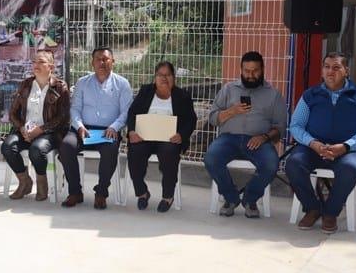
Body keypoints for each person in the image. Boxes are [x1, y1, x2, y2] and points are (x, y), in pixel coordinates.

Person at [286, 53, 356, 234]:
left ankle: (330, 212)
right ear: (322, 71)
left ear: (346, 71)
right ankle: (312, 208)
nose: (331, 71)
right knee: (293, 163)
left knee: (351, 168)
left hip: (348, 150)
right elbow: (296, 125)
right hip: (313, 148)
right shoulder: (310, 95)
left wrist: (345, 146)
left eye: (337, 67)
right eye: (327, 67)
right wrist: (313, 143)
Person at [204, 51, 288, 218]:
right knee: (211, 158)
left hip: (259, 140)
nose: (250, 75)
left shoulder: (273, 94)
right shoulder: (228, 89)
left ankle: (250, 199)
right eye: (246, 71)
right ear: (240, 70)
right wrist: (231, 111)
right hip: (229, 138)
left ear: (262, 69)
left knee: (271, 163)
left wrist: (264, 137)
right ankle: (231, 197)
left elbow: (280, 128)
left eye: (255, 70)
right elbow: (213, 118)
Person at [59, 47, 132, 209]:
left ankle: (101, 193)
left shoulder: (122, 84)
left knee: (110, 149)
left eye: (106, 59)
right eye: (98, 59)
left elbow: (126, 111)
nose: (102, 62)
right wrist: (79, 126)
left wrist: (114, 127)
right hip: (83, 129)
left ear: (113, 62)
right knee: (66, 146)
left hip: (108, 130)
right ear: (92, 62)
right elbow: (75, 108)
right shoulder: (82, 82)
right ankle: (75, 192)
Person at [126, 61, 197, 213]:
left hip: (169, 139)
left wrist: (181, 135)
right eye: (160, 75)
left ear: (174, 77)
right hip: (145, 137)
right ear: (155, 77)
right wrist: (132, 131)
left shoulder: (182, 96)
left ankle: (168, 196)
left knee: (169, 152)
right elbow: (132, 113)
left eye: (168, 75)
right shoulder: (146, 91)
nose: (164, 78)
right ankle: (142, 193)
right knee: (135, 151)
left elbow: (191, 120)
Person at [1, 50, 70, 201]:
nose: (36, 65)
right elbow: (13, 113)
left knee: (37, 149)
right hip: (25, 130)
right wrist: (21, 128)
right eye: (34, 62)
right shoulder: (26, 84)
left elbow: (63, 117)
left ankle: (41, 182)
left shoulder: (60, 87)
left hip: (50, 132)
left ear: (51, 67)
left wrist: (41, 130)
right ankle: (25, 181)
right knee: (7, 146)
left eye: (41, 62)